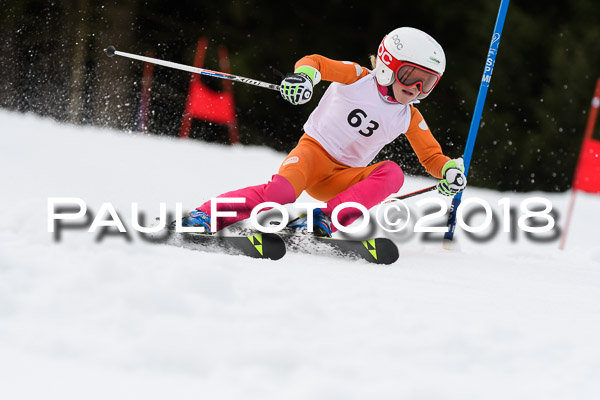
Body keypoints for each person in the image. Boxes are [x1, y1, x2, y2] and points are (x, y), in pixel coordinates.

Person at [179, 27, 467, 237]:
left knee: (393, 173)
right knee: (279, 193)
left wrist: (448, 171)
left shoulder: (409, 116)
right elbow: (315, 62)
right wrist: (304, 78)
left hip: (342, 177)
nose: (416, 89)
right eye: (410, 76)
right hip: (313, 154)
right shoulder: (357, 78)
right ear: (387, 66)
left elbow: (431, 156)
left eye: (426, 83)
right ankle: (206, 214)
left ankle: (326, 219)